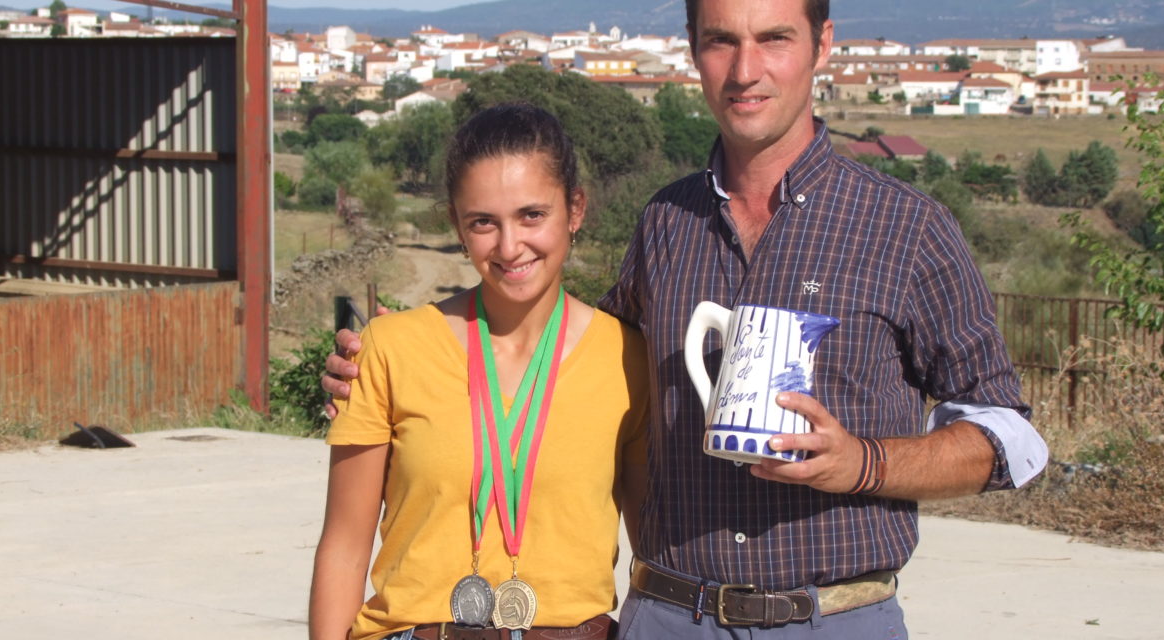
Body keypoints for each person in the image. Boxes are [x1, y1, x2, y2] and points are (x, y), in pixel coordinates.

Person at [326, 1, 1048, 637]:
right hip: (666, 619)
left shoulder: (906, 227)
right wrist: (404, 357)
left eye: (774, 38)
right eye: (720, 41)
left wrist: (865, 462)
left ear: (823, 45)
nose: (746, 69)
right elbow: (567, 355)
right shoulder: (666, 223)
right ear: (693, 50)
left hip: (835, 622)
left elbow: (1013, 440)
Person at [310, 103, 649, 640]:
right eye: (483, 222)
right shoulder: (389, 348)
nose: (509, 246)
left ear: (575, 209)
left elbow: (653, 552)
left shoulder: (629, 357)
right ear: (457, 225)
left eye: (532, 215)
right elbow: (344, 547)